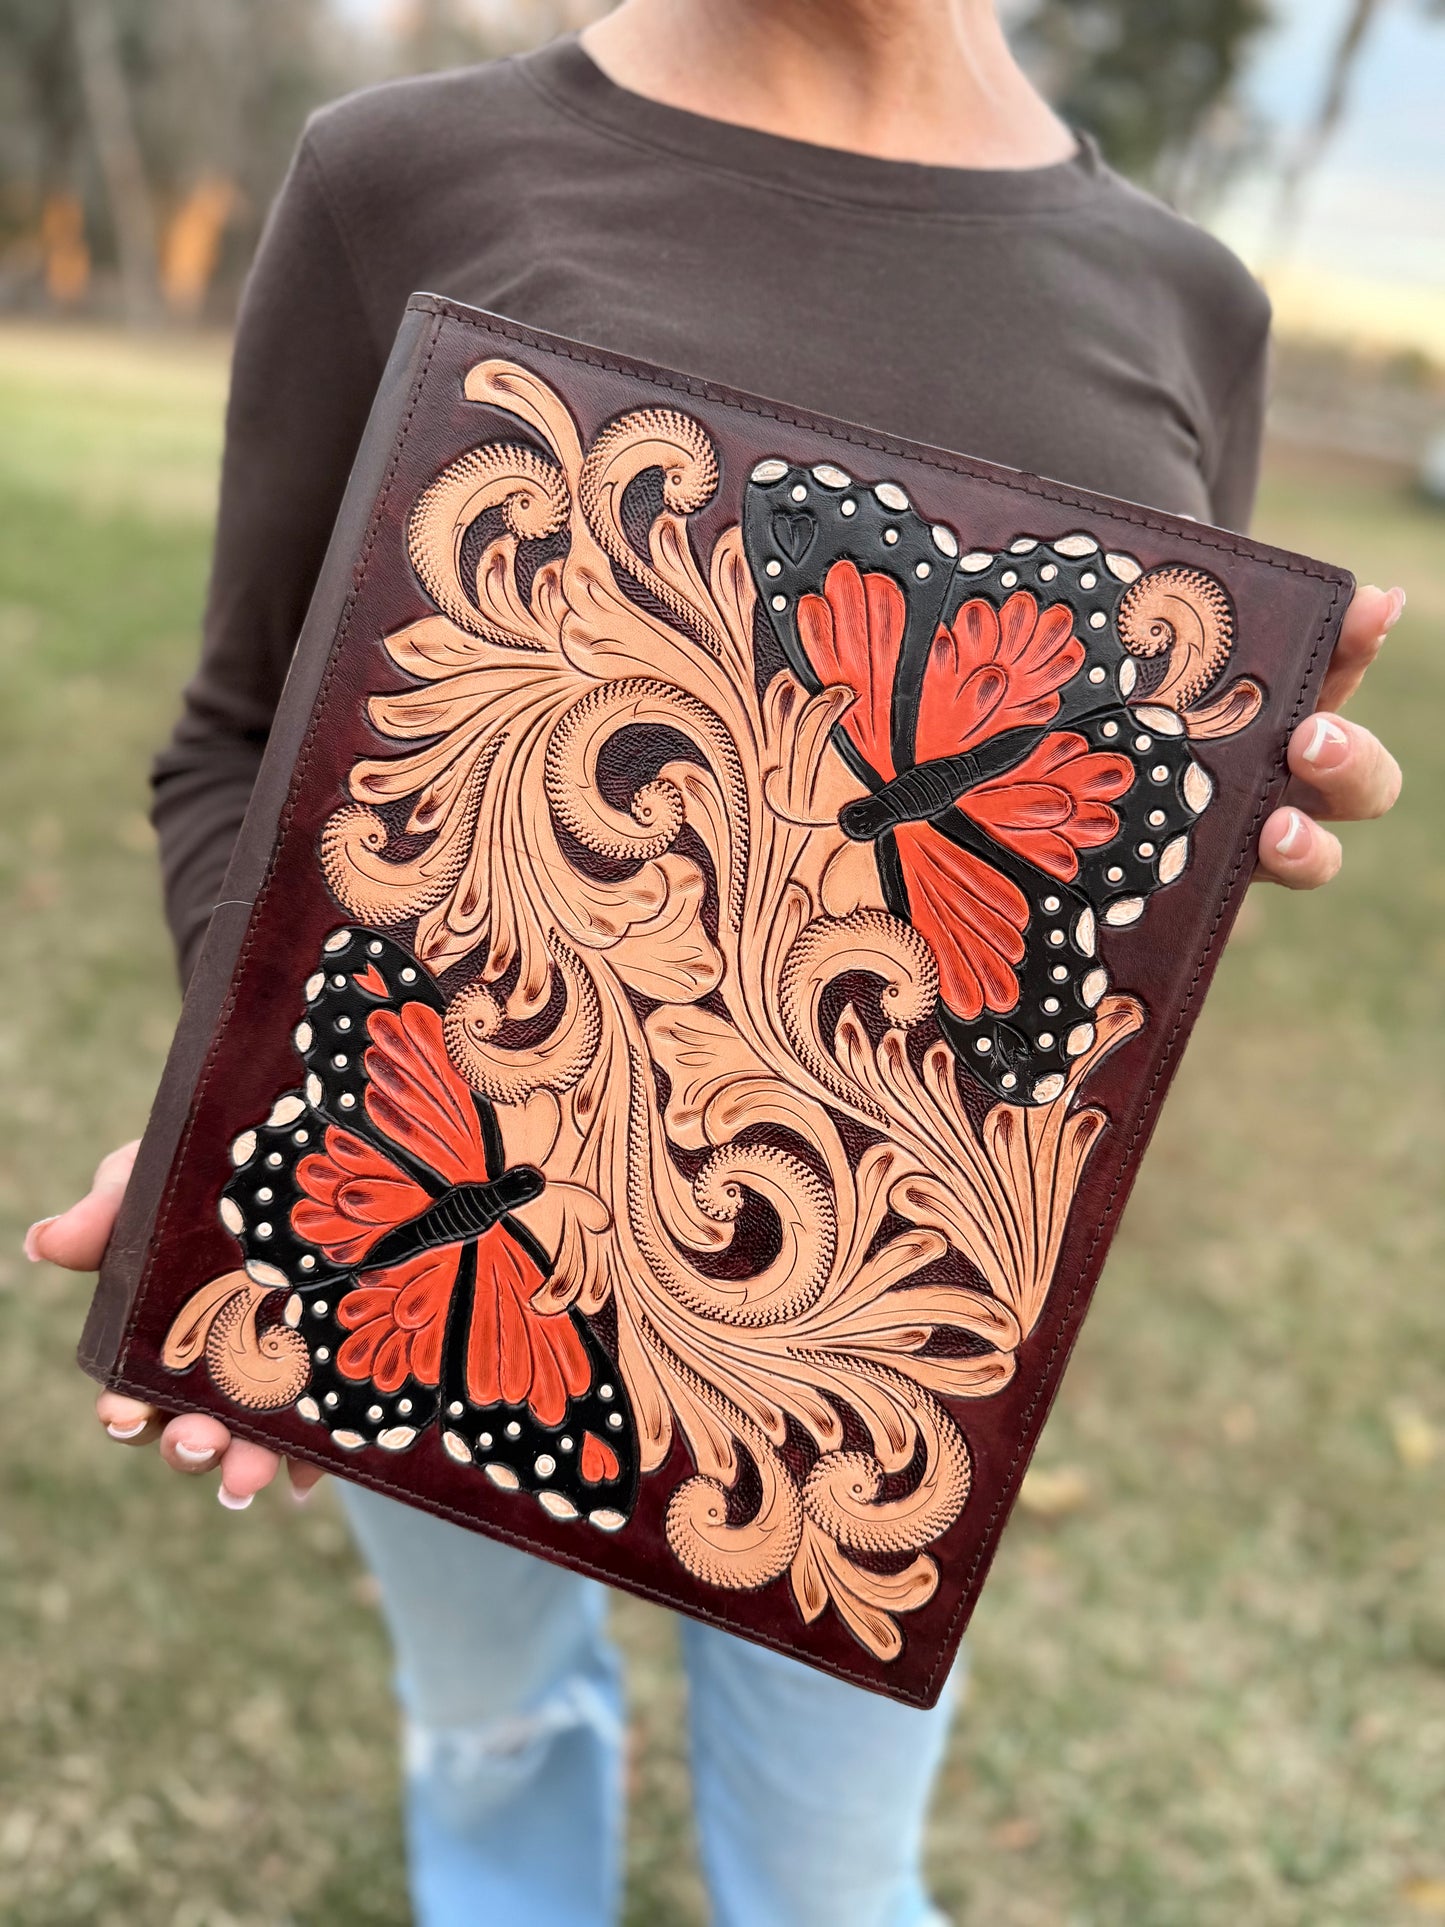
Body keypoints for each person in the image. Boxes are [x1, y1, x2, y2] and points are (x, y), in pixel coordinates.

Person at [28, 3, 1405, 1923]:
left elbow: (1083, 899)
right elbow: (236, 740)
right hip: (440, 1215)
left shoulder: (1191, 300)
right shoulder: (398, 174)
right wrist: (254, 1107)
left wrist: (1213, 846)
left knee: (833, 1882)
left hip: (865, 1335)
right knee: (492, 1732)